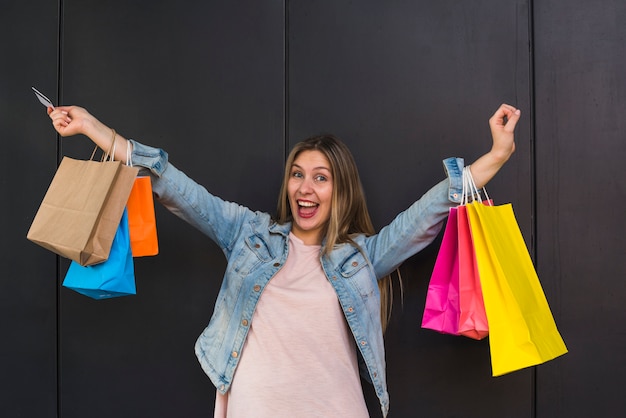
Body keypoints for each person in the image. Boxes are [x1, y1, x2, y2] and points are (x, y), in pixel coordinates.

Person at [48, 103, 520, 417]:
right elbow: (172, 186)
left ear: (340, 191)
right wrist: (93, 128)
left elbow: (429, 212)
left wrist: (495, 156)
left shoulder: (360, 257)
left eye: (320, 177)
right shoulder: (247, 233)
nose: (305, 188)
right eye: (298, 175)